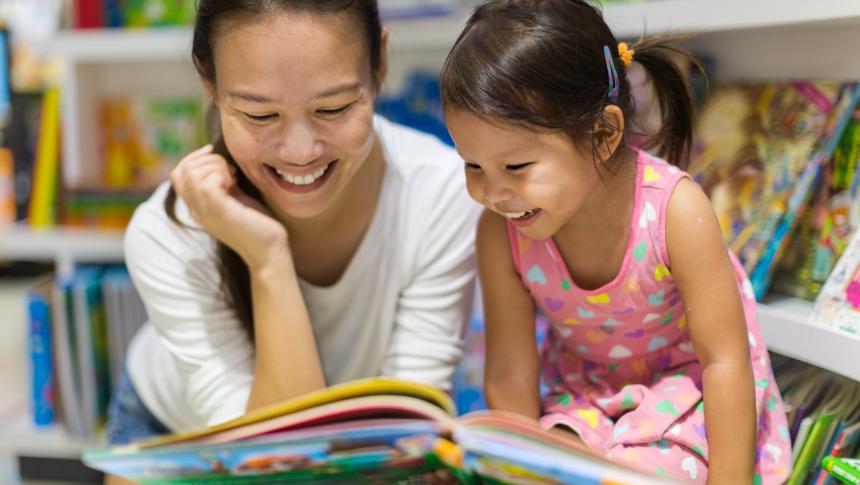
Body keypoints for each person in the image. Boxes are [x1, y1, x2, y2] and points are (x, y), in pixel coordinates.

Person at [439, 1, 792, 483]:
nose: (492, 193)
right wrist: (516, 469)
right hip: (583, 399)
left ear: (604, 133)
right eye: (472, 165)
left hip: (686, 397)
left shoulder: (676, 212)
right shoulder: (499, 231)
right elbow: (510, 376)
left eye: (516, 167)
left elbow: (725, 363)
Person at [107, 0, 479, 451]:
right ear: (209, 81)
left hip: (353, 447)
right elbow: (273, 462)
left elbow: (406, 430)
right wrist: (267, 260)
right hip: (173, 430)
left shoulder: (439, 195)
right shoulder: (169, 234)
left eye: (334, 108)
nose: (301, 151)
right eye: (261, 115)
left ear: (380, 62)